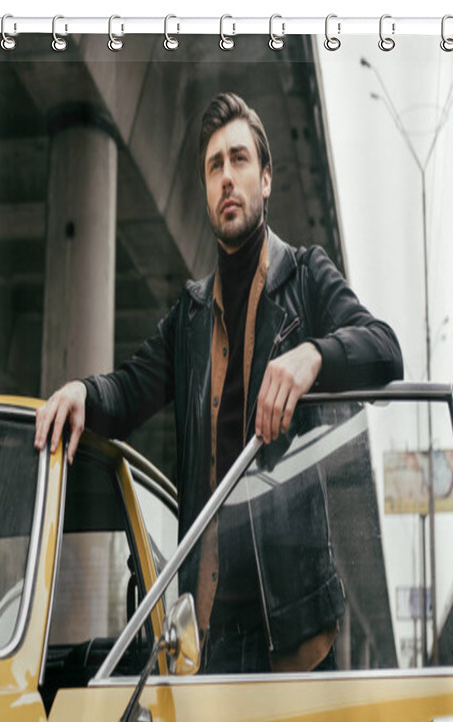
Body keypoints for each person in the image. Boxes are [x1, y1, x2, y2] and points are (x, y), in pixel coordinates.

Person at [35, 92, 403, 674]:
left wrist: (313, 355)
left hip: (295, 635)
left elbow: (384, 350)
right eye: (214, 166)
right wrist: (82, 391)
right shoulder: (190, 314)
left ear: (266, 179)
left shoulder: (306, 275)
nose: (227, 177)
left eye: (238, 160)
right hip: (206, 634)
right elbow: (129, 390)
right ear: (207, 190)